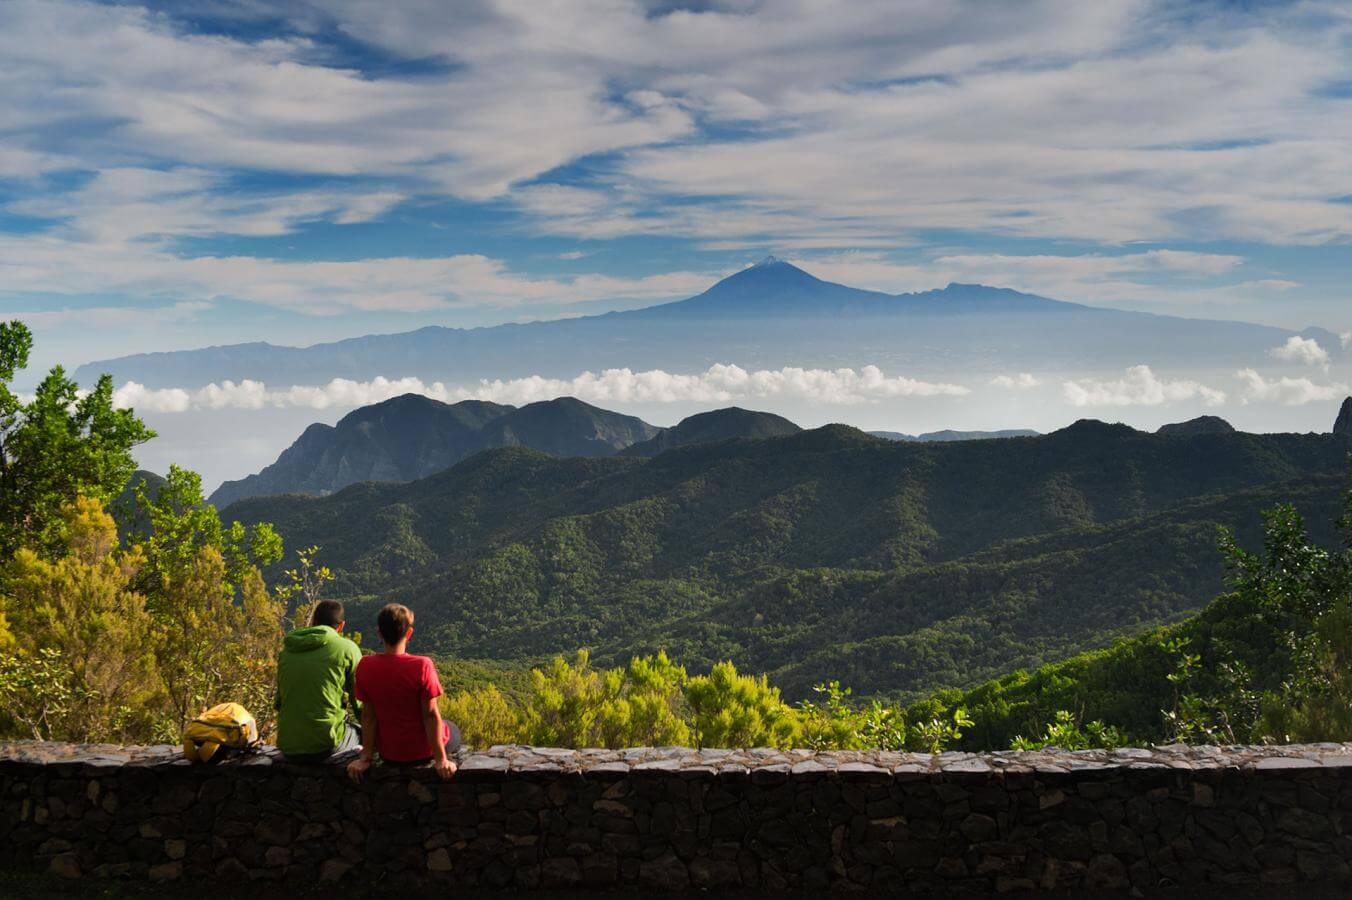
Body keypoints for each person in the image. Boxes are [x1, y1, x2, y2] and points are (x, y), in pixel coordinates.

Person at [346, 603, 460, 782]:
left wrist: (365, 757)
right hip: (422, 752)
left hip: (389, 753)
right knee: (452, 728)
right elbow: (430, 716)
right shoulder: (422, 665)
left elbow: (368, 717)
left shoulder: (365, 666)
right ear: (409, 633)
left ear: (379, 633)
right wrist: (441, 759)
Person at [275, 600, 363, 761]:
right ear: (341, 626)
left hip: (288, 745)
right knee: (360, 734)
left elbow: (279, 702)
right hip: (325, 745)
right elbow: (359, 702)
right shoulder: (348, 649)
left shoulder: (287, 651)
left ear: (314, 622)